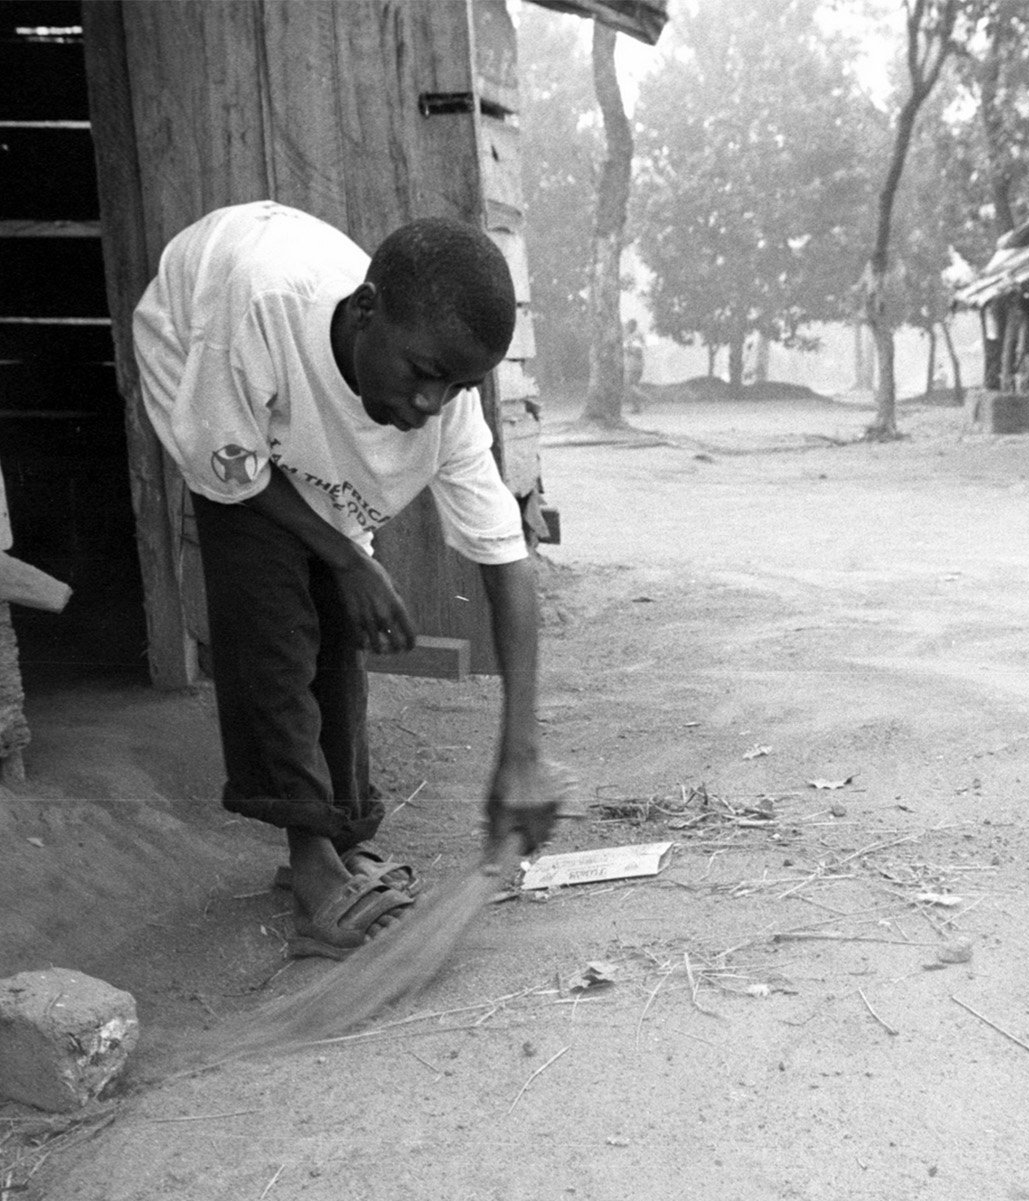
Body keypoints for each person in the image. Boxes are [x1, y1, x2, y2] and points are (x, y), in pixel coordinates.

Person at [133, 200, 561, 955]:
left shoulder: (443, 409)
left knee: (338, 622)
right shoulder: (260, 306)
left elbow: (506, 561)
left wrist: (520, 753)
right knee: (271, 612)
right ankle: (311, 866)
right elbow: (231, 467)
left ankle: (341, 834)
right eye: (426, 374)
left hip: (298, 428)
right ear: (367, 310)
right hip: (204, 371)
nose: (433, 404)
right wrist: (347, 554)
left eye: (457, 386)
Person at [622, 319, 646, 414]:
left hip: (634, 364)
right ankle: (637, 408)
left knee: (629, 385)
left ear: (633, 326)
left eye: (628, 326)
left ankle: (646, 398)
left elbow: (638, 352)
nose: (627, 328)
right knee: (633, 386)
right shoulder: (631, 336)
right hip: (632, 364)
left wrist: (628, 350)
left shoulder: (636, 336)